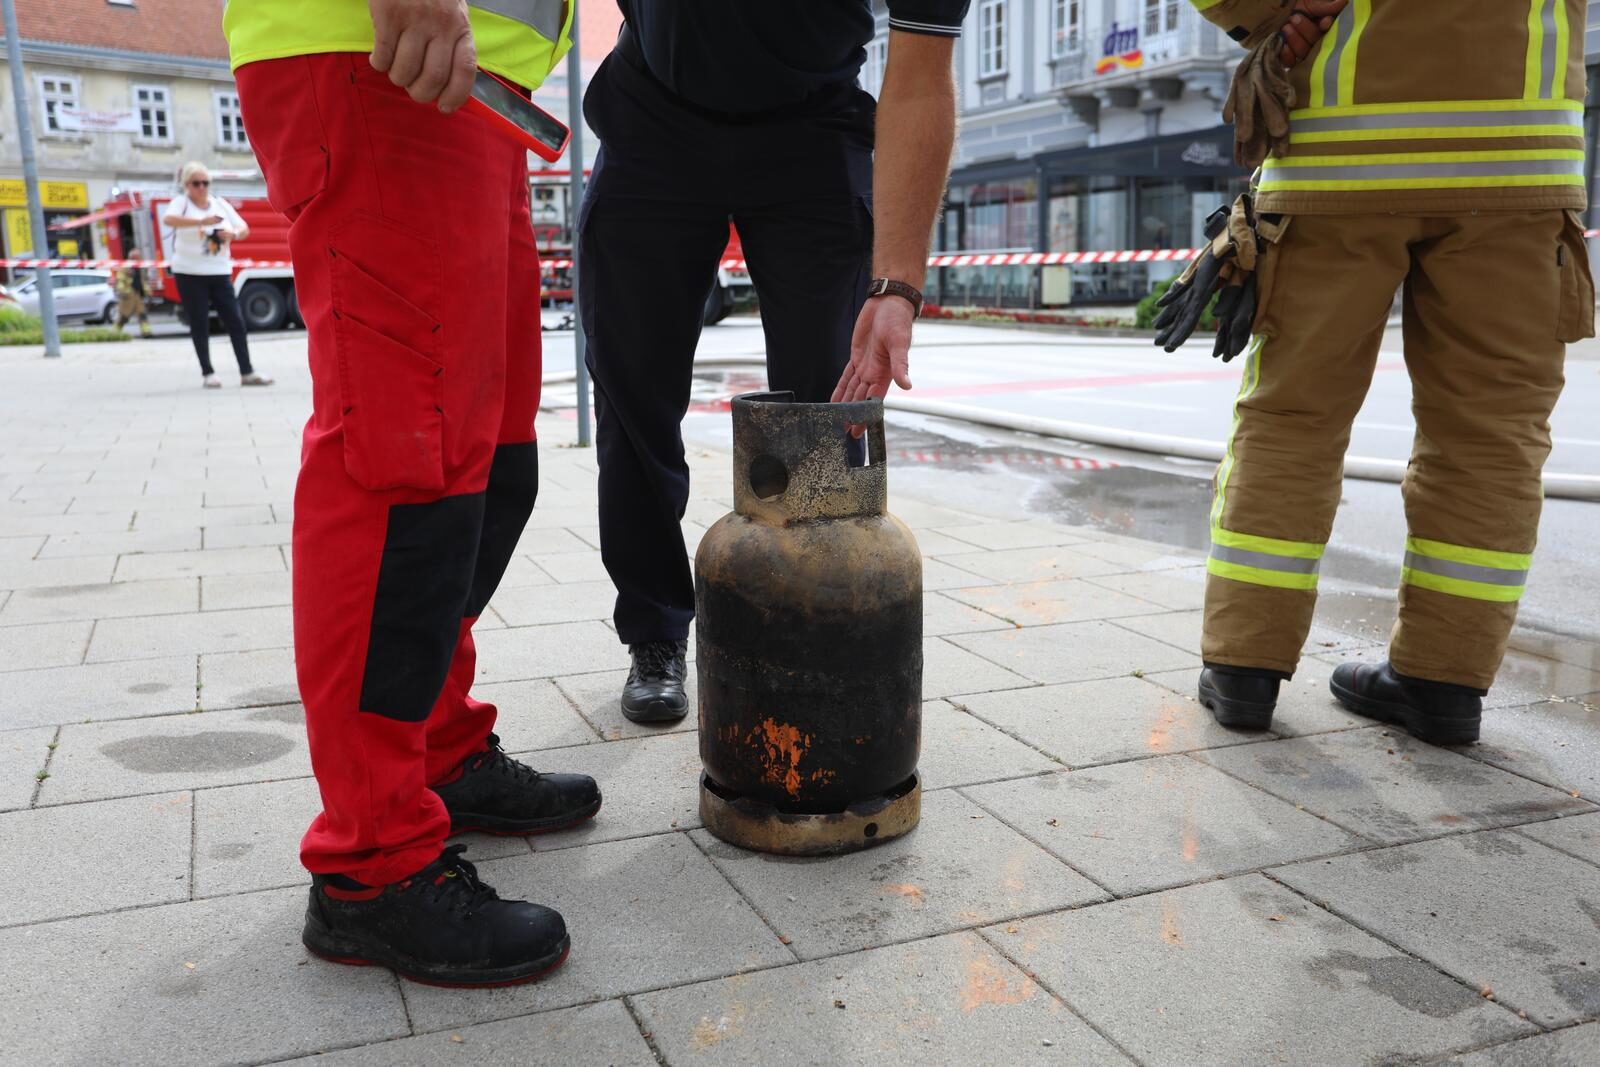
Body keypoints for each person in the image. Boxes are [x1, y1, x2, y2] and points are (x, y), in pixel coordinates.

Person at [223, 0, 600, 987]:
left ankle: (436, 746)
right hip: (378, 54)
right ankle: (372, 858)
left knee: (490, 455)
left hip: (470, 82)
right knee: (402, 466)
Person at [1174, 0, 1594, 745]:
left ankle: (1245, 666)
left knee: (1293, 418)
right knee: (1492, 437)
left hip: (1340, 153)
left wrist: (1271, 19)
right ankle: (1442, 680)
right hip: (1519, 159)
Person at [581, 1, 970, 723]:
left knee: (830, 402)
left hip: (812, 125)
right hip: (654, 112)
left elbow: (920, 82)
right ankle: (655, 632)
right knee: (633, 388)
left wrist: (897, 286)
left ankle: (824, 627)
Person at [163, 162, 272, 388]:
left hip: (219, 270)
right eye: (196, 183)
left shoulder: (220, 204)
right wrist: (201, 221)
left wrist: (233, 234)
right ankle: (208, 373)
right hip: (189, 272)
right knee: (199, 322)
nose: (202, 187)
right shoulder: (181, 203)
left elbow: (244, 228)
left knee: (235, 321)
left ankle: (247, 371)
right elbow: (168, 220)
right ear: (186, 185)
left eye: (206, 183)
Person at [113, 245, 153, 338]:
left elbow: (143, 281)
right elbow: (120, 280)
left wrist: (148, 291)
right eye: (138, 256)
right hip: (128, 296)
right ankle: (114, 333)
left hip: (138, 295)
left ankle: (146, 332)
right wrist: (123, 291)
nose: (140, 258)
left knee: (142, 314)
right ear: (132, 257)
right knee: (123, 316)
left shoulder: (139, 267)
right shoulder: (125, 267)